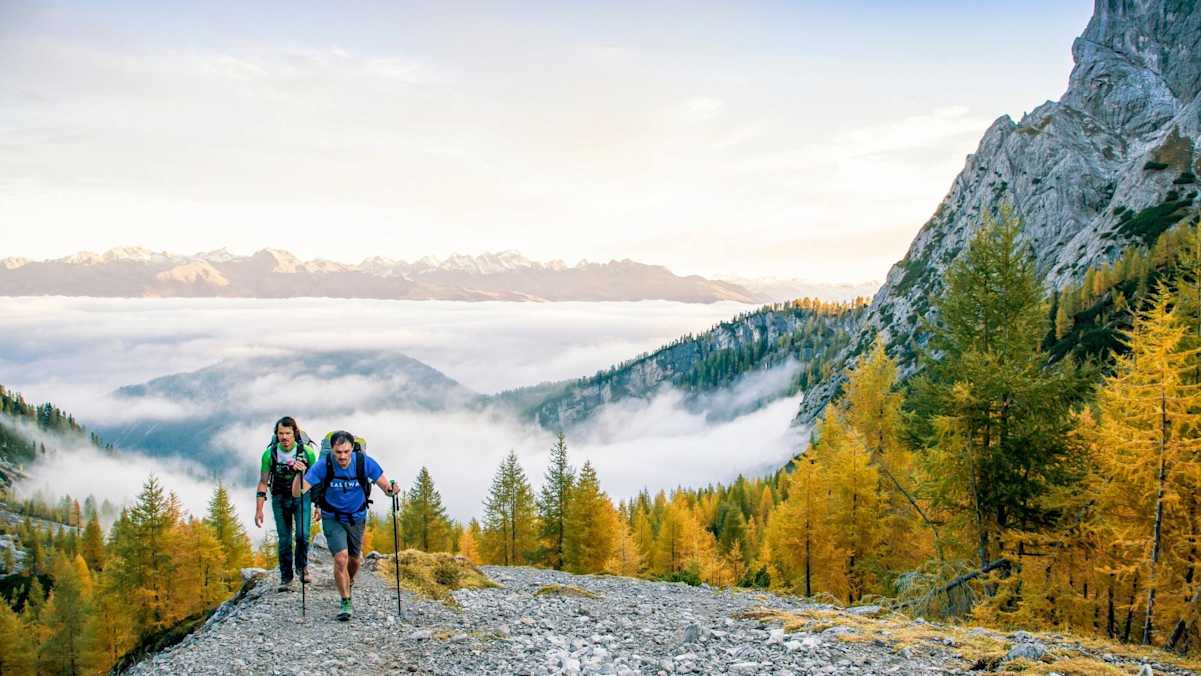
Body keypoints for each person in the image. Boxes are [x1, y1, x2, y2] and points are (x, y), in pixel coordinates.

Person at [292, 430, 397, 621]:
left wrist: (392, 489)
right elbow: (298, 492)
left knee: (355, 560)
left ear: (352, 450)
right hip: (332, 517)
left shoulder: (363, 462)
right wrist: (300, 474)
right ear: (332, 450)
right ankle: (345, 601)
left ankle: (350, 580)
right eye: (338, 452)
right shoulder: (323, 465)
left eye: (346, 452)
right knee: (341, 558)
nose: (342, 456)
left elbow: (386, 488)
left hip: (357, 516)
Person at [254, 416, 317, 592]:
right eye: (281, 433)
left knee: (303, 535)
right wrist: (259, 509)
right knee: (284, 539)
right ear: (276, 434)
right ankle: (286, 577)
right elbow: (263, 481)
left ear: (294, 433)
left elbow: (316, 479)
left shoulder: (307, 453)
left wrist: (318, 505)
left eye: (288, 433)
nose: (285, 437)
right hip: (279, 498)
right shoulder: (269, 454)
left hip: (302, 497)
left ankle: (302, 567)